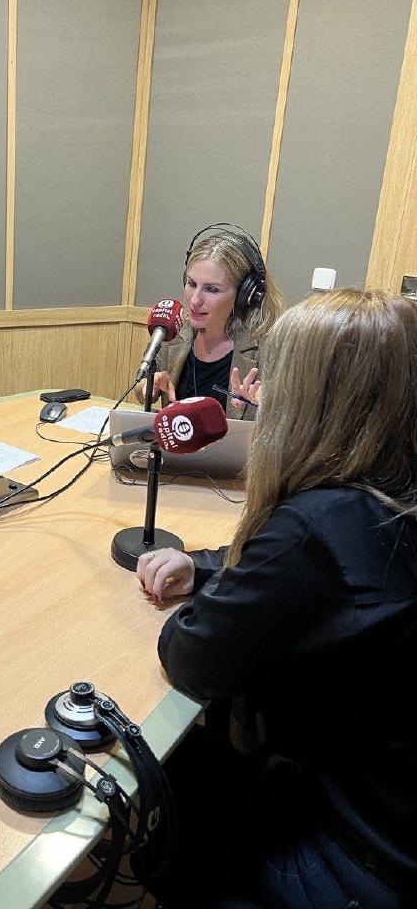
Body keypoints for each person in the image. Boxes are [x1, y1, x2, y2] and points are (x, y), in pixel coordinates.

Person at [137, 290, 417, 908]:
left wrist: (210, 599)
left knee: (149, 815)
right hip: (395, 814)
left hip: (357, 863)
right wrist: (209, 569)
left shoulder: (318, 525)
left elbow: (191, 655)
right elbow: (319, 585)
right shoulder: (389, 498)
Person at [136, 223, 284, 419]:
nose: (195, 300)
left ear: (244, 296)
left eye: (212, 289)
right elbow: (141, 391)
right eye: (191, 284)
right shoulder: (174, 331)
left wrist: (266, 408)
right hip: (178, 448)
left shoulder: (269, 349)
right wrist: (150, 385)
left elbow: (288, 426)